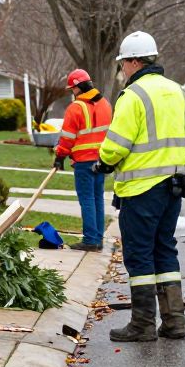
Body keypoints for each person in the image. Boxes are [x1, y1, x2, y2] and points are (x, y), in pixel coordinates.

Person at [95, 31, 185, 342]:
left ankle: (141, 324)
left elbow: (116, 145)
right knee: (165, 249)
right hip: (174, 187)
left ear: (134, 61)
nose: (122, 69)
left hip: (141, 190)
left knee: (139, 255)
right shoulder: (180, 93)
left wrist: (103, 162)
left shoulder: (134, 95)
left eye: (123, 63)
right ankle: (174, 322)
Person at [54, 69, 113, 252]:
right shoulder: (105, 104)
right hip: (101, 160)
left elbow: (67, 138)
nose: (72, 92)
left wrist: (60, 157)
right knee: (97, 199)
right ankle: (98, 239)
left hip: (84, 162)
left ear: (78, 88)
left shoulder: (75, 108)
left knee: (87, 199)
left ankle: (90, 240)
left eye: (73, 88)